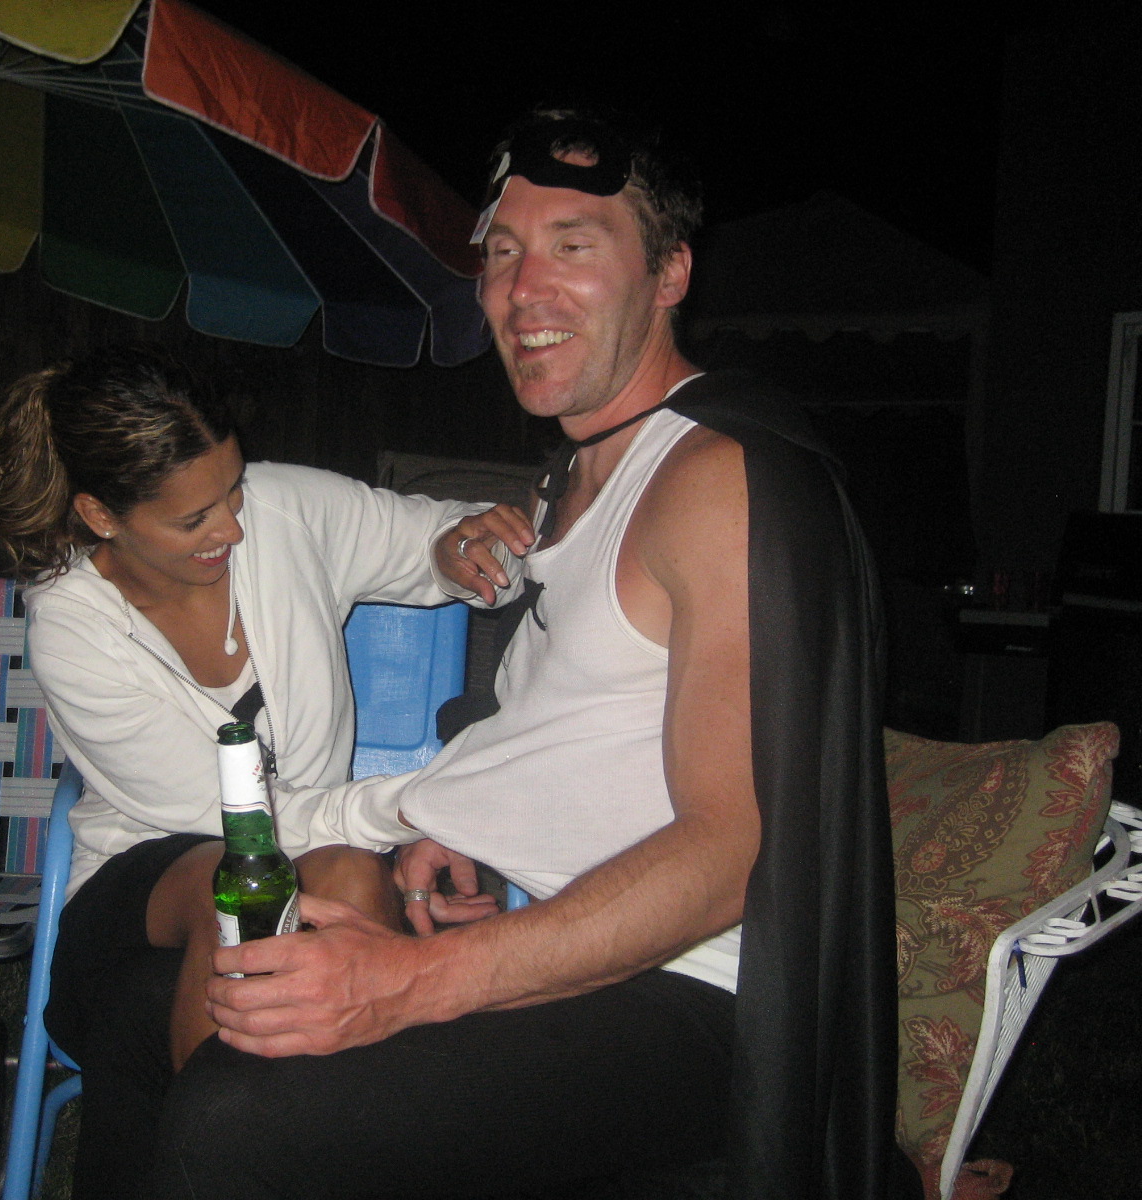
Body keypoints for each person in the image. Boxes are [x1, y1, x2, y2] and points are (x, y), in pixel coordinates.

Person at [147, 109, 913, 1199]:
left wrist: (410, 983)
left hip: (696, 1002)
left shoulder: (716, 481)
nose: (522, 288)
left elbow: (735, 848)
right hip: (561, 949)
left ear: (670, 274)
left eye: (573, 245)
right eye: (503, 253)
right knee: (167, 1007)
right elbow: (592, 728)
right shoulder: (572, 479)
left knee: (238, 1117)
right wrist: (469, 835)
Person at [0, 346, 530, 1195]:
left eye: (232, 490)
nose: (233, 527)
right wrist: (426, 809)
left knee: (345, 878)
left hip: (306, 875)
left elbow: (436, 535)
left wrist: (466, 549)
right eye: (194, 519)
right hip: (141, 899)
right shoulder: (72, 630)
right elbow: (248, 831)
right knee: (234, 887)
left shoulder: (280, 512)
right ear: (100, 516)